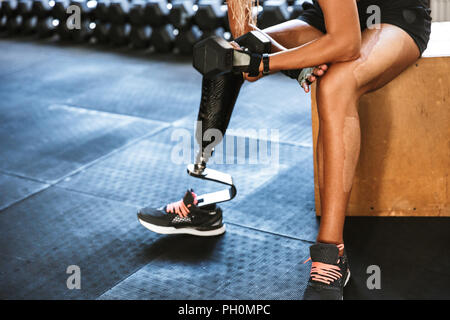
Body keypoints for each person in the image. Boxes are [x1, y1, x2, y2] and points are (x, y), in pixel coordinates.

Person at [137, 0, 432, 300]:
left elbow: (347, 43)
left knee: (335, 85)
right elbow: (246, 43)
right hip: (326, 18)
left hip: (394, 17)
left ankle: (331, 257)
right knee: (226, 55)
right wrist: (257, 58)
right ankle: (203, 184)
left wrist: (266, 63)